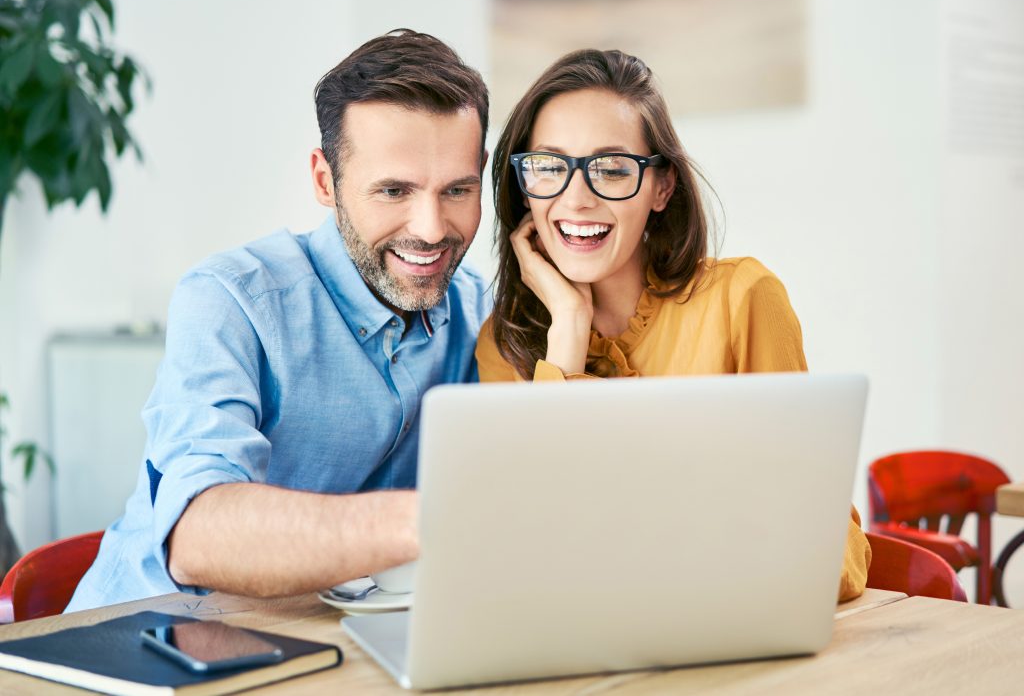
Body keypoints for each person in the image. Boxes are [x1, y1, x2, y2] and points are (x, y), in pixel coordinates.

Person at [66, 30, 491, 611]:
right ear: (325, 180)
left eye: (458, 190)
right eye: (393, 190)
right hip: (150, 634)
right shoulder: (229, 299)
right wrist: (435, 520)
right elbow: (198, 536)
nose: (431, 228)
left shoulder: (477, 310)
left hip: (326, 637)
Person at [475, 48, 871, 601]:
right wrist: (568, 326)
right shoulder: (506, 343)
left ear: (662, 188)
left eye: (612, 168)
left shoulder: (743, 299)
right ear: (523, 188)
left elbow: (831, 556)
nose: (577, 197)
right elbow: (535, 549)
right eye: (549, 167)